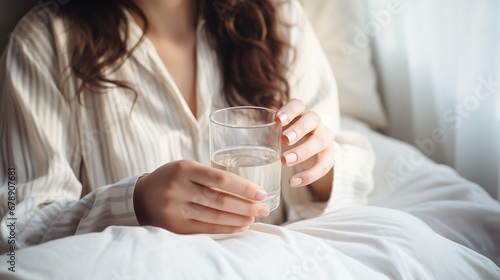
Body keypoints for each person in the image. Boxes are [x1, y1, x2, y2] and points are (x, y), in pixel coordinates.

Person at [0, 0, 373, 253]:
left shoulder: (278, 16)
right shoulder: (44, 44)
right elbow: (17, 231)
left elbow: (348, 169)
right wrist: (136, 203)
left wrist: (319, 169)